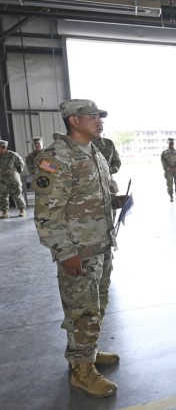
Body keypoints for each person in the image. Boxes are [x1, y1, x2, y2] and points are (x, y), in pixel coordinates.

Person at [32, 99, 127, 398]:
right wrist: (66, 252)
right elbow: (47, 214)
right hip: (78, 250)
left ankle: (87, 352)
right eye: (93, 117)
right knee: (82, 310)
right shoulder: (57, 157)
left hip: (100, 244)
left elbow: (85, 197)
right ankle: (82, 372)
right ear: (74, 120)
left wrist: (115, 201)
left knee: (96, 306)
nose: (100, 121)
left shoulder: (94, 151)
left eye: (100, 117)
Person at [0, 139, 27, 218]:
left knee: (17, 194)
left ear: (3, 147)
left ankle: (22, 210)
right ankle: (5, 212)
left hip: (12, 178)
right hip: (1, 179)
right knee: (2, 195)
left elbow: (21, 163)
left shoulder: (13, 155)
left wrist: (17, 172)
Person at [161, 137, 176, 202]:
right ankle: (171, 196)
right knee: (169, 184)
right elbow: (163, 162)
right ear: (167, 143)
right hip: (168, 172)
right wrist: (168, 168)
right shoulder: (164, 152)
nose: (171, 143)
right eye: (170, 142)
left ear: (173, 143)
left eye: (172, 142)